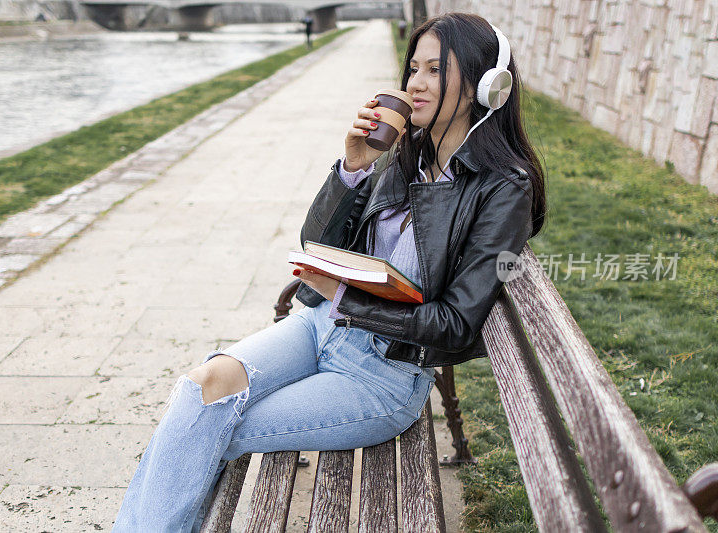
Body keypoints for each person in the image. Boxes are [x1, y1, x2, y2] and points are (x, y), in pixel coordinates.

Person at [112, 12, 546, 532]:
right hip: (318, 328)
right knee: (202, 389)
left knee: (208, 427)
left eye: (435, 69)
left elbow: (455, 324)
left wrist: (347, 299)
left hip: (382, 376)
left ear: (486, 84)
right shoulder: (407, 152)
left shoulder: (503, 188)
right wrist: (354, 166)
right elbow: (316, 244)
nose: (416, 83)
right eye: (413, 69)